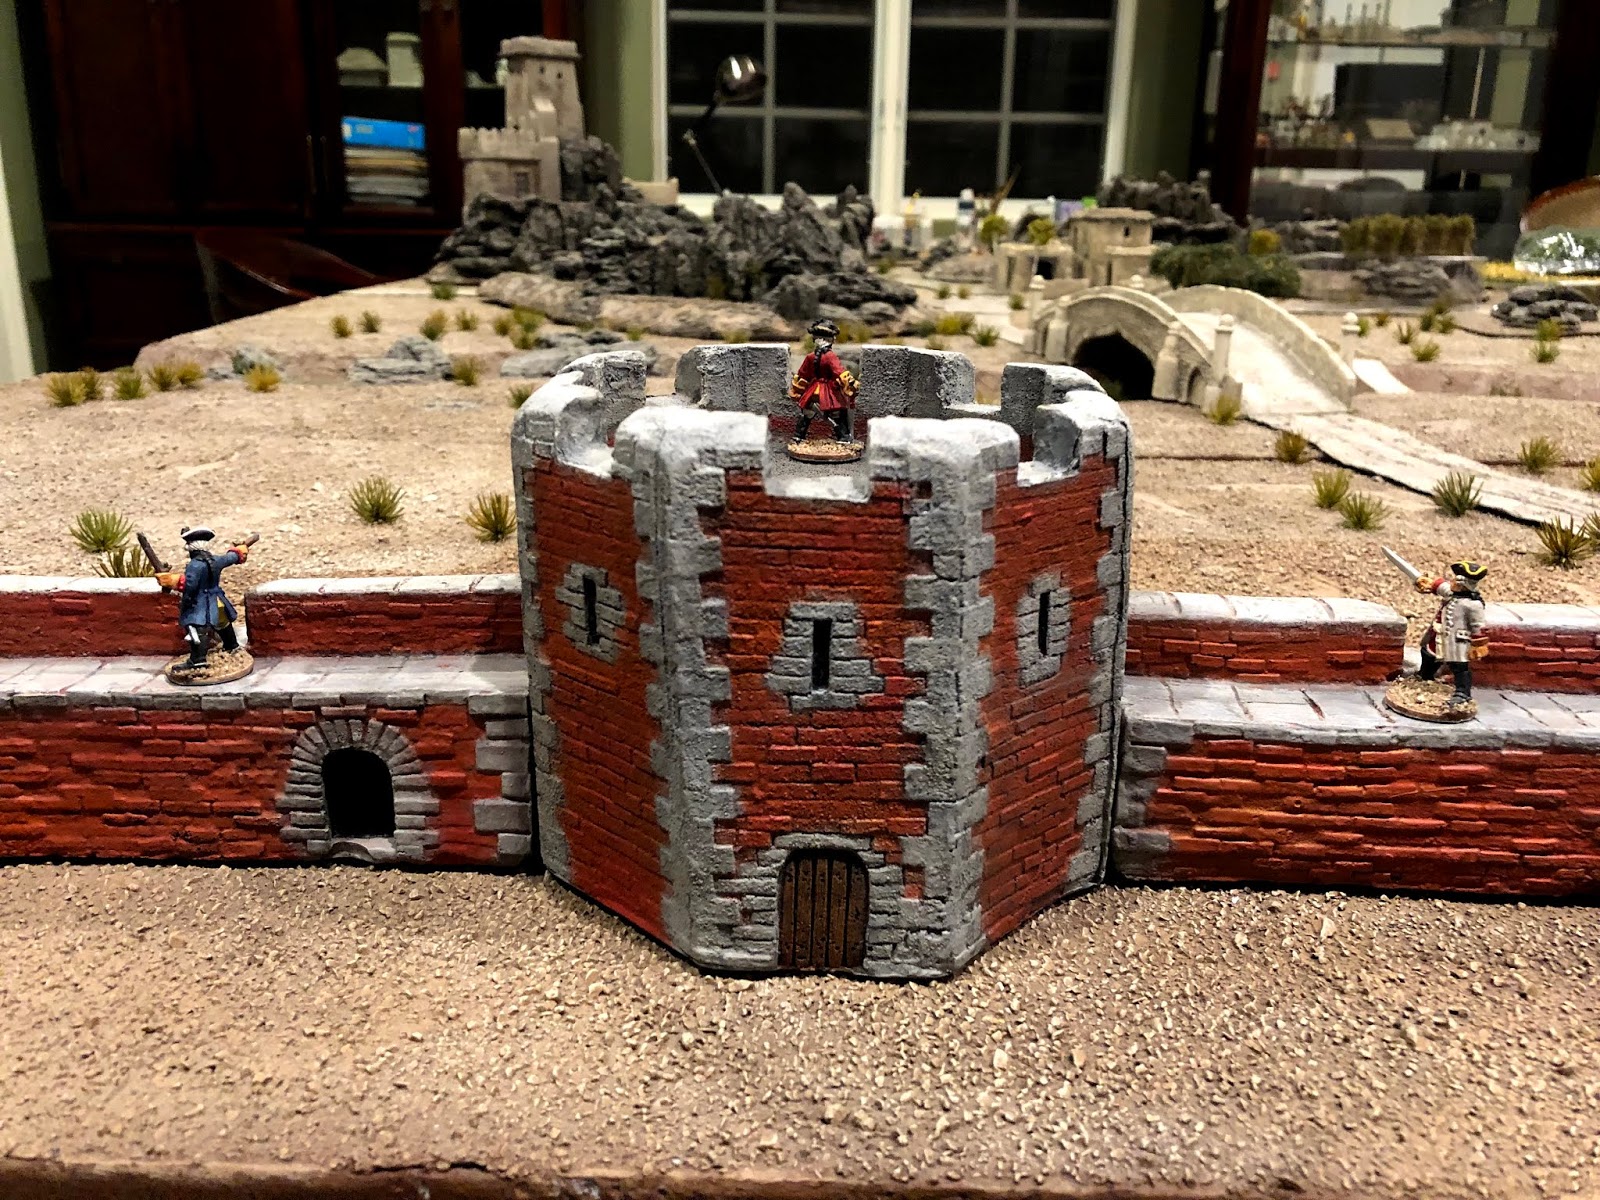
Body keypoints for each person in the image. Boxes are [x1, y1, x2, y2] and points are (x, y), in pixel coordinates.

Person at [155, 526, 252, 672]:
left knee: (197, 630)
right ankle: (231, 646)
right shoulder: (216, 560)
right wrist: (239, 550)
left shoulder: (194, 565)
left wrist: (173, 581)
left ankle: (198, 660)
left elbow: (190, 585)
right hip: (217, 601)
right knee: (223, 624)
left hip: (201, 604)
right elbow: (231, 557)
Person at [1414, 559, 1488, 708]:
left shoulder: (1473, 605)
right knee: (1429, 654)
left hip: (1457, 640)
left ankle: (1462, 693)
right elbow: (1440, 586)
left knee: (1459, 666)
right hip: (1438, 634)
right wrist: (1428, 583)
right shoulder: (1452, 593)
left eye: (1455, 581)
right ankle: (1425, 676)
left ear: (1463, 584)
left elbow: (1478, 626)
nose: (1452, 582)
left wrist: (1478, 644)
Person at [788, 318, 860, 443]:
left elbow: (802, 375)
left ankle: (799, 435)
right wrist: (852, 385)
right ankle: (843, 437)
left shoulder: (810, 357)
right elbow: (840, 372)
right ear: (830, 339)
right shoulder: (830, 356)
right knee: (838, 413)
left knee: (807, 413)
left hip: (813, 391)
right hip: (828, 391)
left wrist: (797, 390)